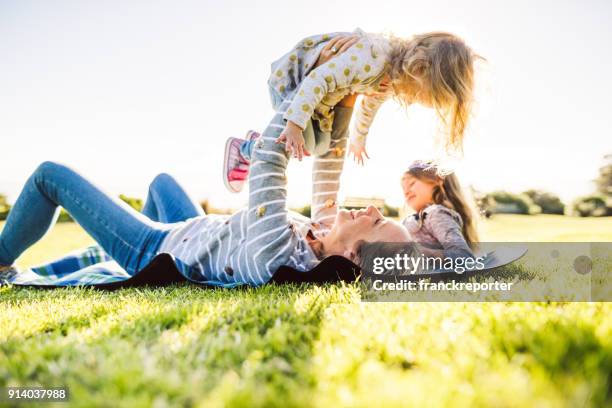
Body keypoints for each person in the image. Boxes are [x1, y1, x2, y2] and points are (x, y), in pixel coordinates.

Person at [0, 95, 410, 288]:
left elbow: (267, 168)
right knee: (162, 182)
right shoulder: (322, 232)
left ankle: (1, 263)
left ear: (355, 255)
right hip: (193, 229)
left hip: (152, 246)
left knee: (48, 175)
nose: (372, 209)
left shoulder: (277, 254)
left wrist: (300, 101)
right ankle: (146, 256)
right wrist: (347, 98)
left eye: (377, 221)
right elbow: (331, 160)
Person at [223, 29, 480, 229]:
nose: (416, 101)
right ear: (421, 68)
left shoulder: (390, 76)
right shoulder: (374, 58)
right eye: (425, 96)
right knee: (304, 144)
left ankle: (256, 144)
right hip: (295, 79)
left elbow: (370, 104)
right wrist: (293, 124)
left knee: (321, 146)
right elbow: (319, 78)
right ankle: (246, 148)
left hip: (324, 97)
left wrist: (359, 138)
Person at [400, 160, 479, 259]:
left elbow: (464, 256)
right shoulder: (415, 219)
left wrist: (420, 252)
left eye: (411, 184)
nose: (406, 192)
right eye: (403, 188)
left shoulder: (435, 214)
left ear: (437, 179)